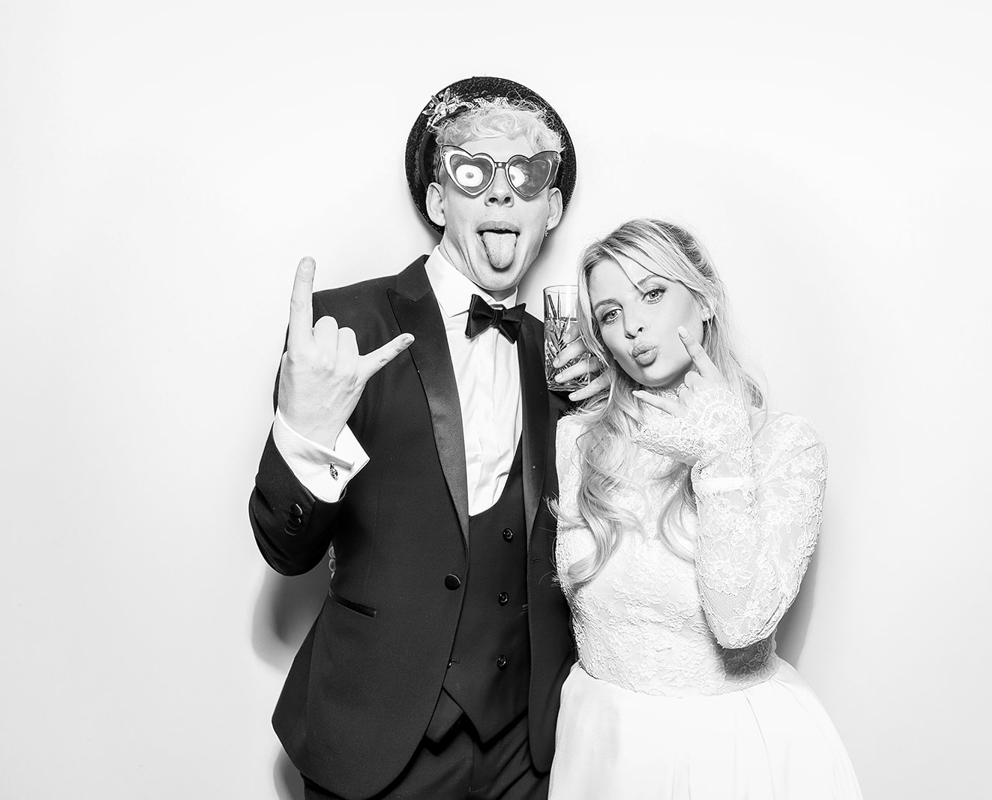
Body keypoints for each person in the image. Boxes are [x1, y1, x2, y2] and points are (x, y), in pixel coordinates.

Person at [249, 77, 598, 800]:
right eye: (475, 173)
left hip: (525, 751)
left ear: (552, 207)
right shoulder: (344, 327)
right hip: (376, 736)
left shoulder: (565, 360)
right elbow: (286, 551)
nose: (502, 195)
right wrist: (305, 434)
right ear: (441, 201)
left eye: (528, 175)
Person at [549, 219, 863, 799]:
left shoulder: (783, 447)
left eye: (652, 293)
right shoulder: (579, 440)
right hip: (601, 745)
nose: (634, 326)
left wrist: (723, 458)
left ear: (706, 299)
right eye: (610, 314)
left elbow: (741, 624)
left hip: (726, 755)